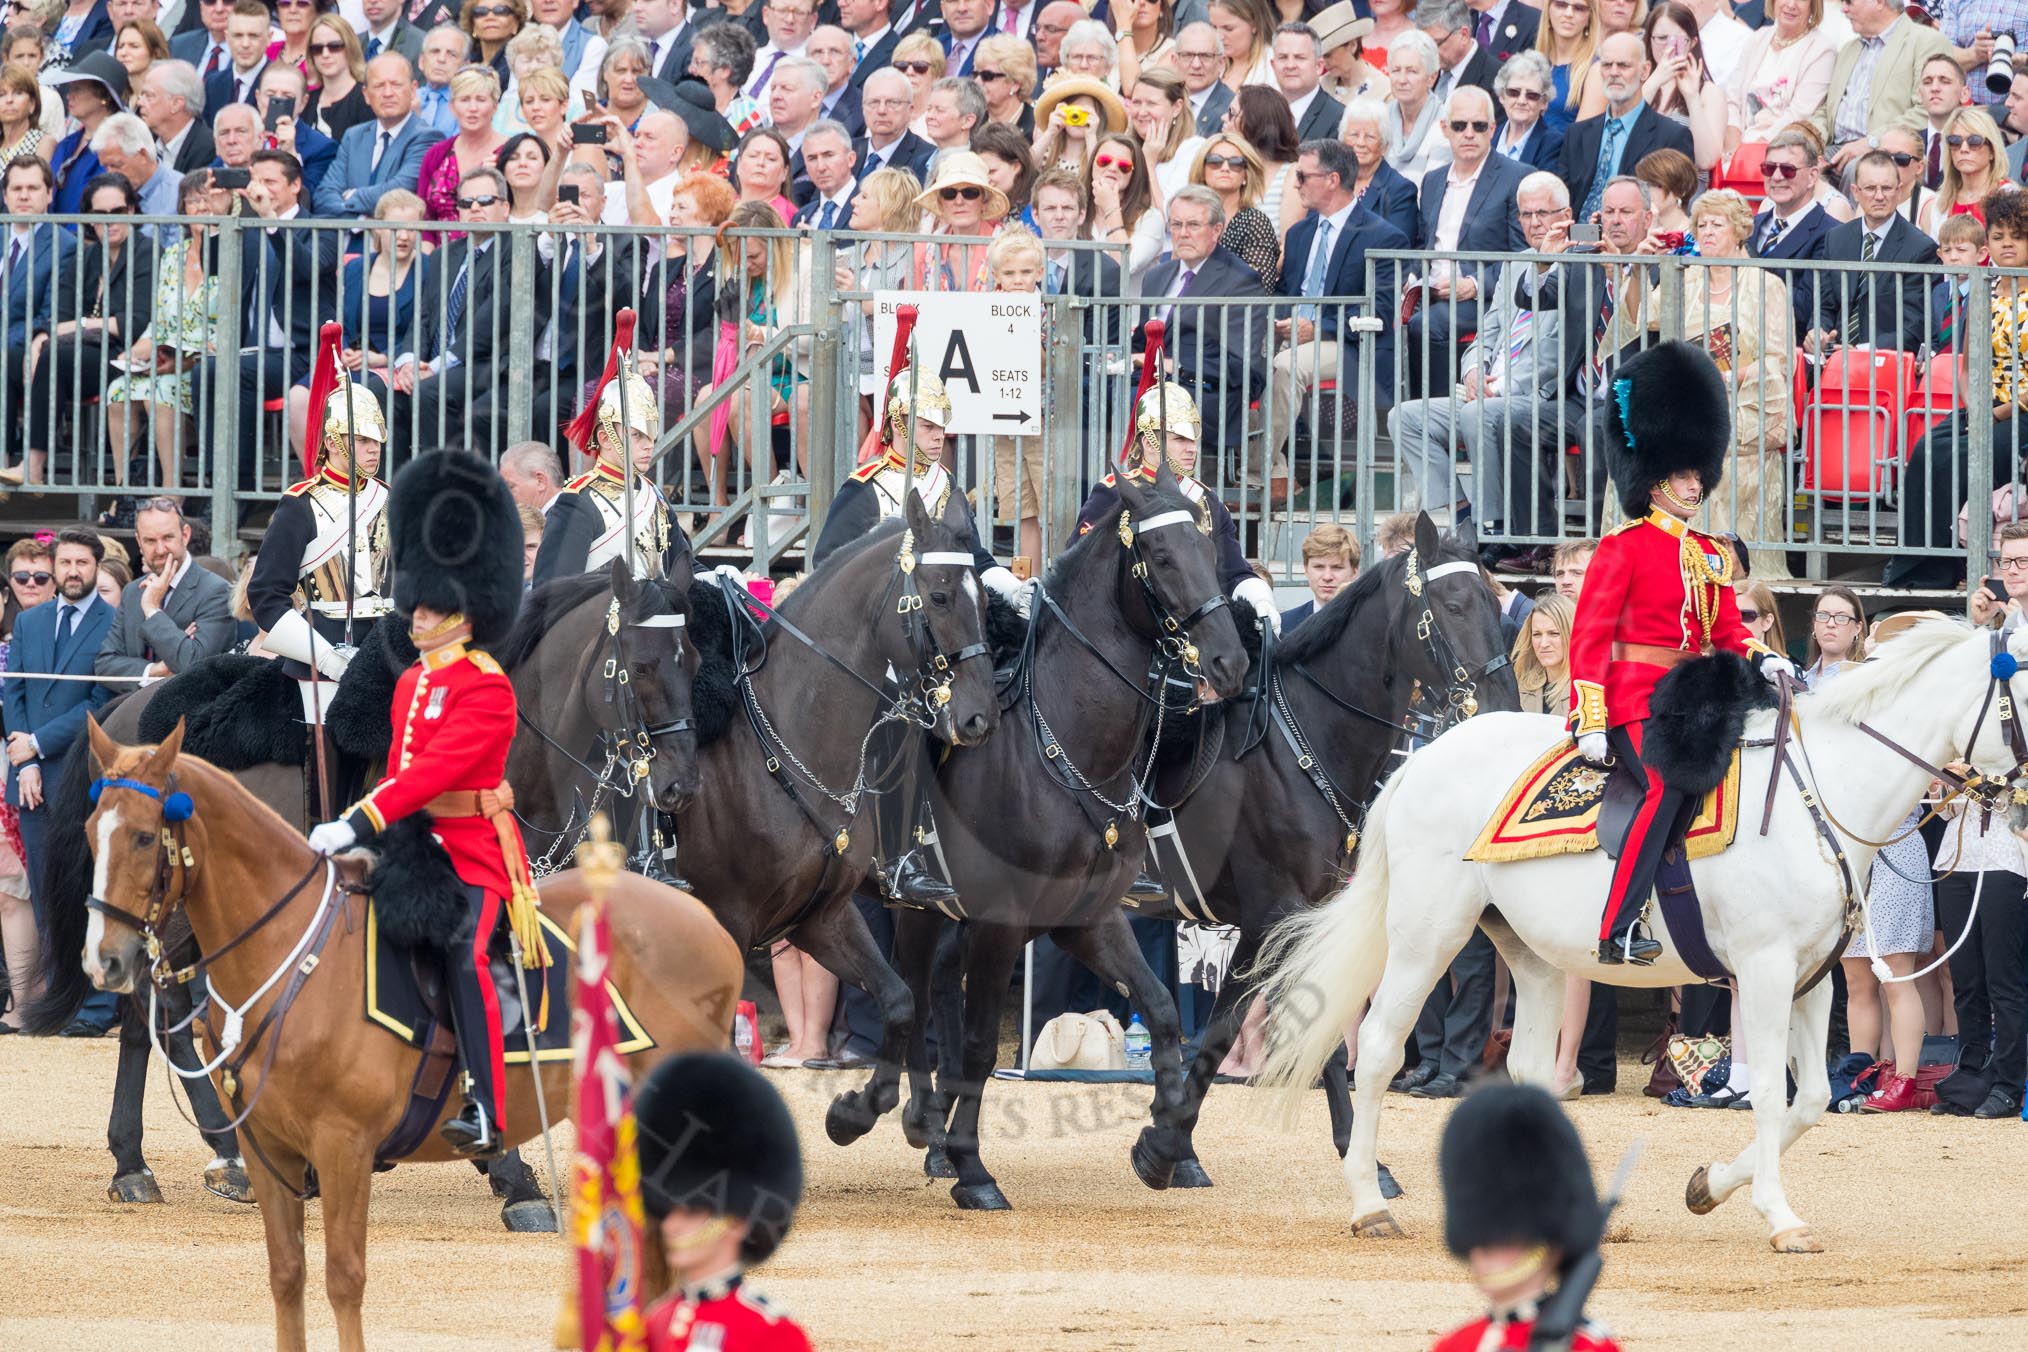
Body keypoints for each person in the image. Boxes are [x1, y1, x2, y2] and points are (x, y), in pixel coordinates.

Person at [310, 451, 533, 1159]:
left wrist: (359, 819)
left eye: (430, 607)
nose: (416, 615)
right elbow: (401, 769)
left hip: (473, 848)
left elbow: (435, 772)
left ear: (463, 614)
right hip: (415, 842)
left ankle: (489, 1110)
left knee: (467, 952)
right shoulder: (412, 685)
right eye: (418, 602)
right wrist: (373, 834)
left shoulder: (489, 688)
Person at [1569, 342, 1793, 966]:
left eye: (1700, 474)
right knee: (1664, 787)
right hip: (1636, 698)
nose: (1696, 484)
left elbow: (1726, 629)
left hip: (1695, 697)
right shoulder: (1624, 547)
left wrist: (1762, 658)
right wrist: (1590, 717)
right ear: (1655, 477)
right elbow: (1589, 635)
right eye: (1685, 474)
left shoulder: (1710, 554)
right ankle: (1615, 927)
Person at [810, 369, 1018, 907]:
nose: (936, 435)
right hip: (878, 649)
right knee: (902, 715)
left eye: (941, 426)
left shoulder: (948, 489)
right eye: (926, 424)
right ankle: (901, 855)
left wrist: (1001, 580)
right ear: (898, 423)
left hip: (941, 642)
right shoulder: (866, 488)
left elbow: (973, 558)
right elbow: (828, 563)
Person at [1390, 168, 1568, 525]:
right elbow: (1488, 331)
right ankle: (1463, 513)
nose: (1533, 223)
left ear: (1565, 217)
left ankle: (1492, 528)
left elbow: (1557, 352)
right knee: (1405, 417)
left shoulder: (1578, 267)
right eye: (1526, 214)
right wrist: (1473, 370)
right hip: (1486, 393)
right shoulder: (1515, 264)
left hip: (1534, 395)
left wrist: (1497, 388)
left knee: (1476, 412)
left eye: (1542, 214)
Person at [6, 528, 119, 1035]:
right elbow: (15, 695)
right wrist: (24, 758)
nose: (72, 571)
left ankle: (95, 1008)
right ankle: (59, 1002)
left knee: (85, 890)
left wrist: (39, 744)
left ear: (97, 566)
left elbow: (100, 703)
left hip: (79, 774)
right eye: (65, 562)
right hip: (30, 778)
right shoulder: (28, 623)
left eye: (82, 563)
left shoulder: (114, 623)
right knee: (49, 892)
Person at [1889, 189, 2028, 588]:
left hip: (2022, 412)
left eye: (2015, 236)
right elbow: (1967, 367)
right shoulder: (1984, 288)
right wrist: (1975, 408)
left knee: (1963, 455)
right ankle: (1919, 567)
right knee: (1926, 450)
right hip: (1986, 406)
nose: (2005, 244)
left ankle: (1958, 562)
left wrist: (1996, 415)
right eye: (1998, 235)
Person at [632, 1054, 810, 1351]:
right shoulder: (658, 1322)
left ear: (737, 1221)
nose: (671, 1225)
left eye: (690, 1212)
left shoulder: (771, 1331)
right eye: (666, 1210)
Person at [247, 368, 392, 717]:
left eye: (376, 441)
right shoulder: (300, 504)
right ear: (332, 442)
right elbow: (266, 596)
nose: (373, 450)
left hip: (385, 649)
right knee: (327, 760)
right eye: (361, 440)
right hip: (321, 651)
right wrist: (326, 658)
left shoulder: (387, 498)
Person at [1430, 1083, 1618, 1352]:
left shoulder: (1590, 1346)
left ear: (1550, 1245)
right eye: (1482, 1238)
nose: (1485, 1255)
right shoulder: (1457, 1344)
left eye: (1506, 1240)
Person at [1269, 139, 1407, 473]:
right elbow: (1286, 293)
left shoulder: (1383, 236)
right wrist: (1279, 323)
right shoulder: (1300, 233)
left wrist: (1318, 328)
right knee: (1235, 352)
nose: (1296, 184)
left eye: (1303, 176)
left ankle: (1261, 466)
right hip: (1293, 335)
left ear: (1332, 180)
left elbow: (1380, 309)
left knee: (1286, 366)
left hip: (1348, 344)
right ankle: (1252, 464)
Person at [99, 172, 218, 503]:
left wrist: (189, 355)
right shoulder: (173, 255)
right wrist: (135, 351)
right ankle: (123, 491)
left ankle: (171, 492)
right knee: (119, 390)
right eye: (193, 201)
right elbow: (160, 319)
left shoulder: (233, 253)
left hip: (206, 357)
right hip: (168, 352)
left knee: (159, 392)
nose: (201, 208)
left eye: (207, 199)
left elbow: (235, 322)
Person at [1138, 186, 1269, 476]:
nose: (1183, 233)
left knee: (1145, 406)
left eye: (1193, 225)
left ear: (1217, 229)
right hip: (1150, 384)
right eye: (1176, 224)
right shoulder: (1157, 276)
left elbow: (1242, 364)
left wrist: (1179, 367)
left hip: (1207, 391)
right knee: (1090, 397)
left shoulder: (1240, 281)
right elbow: (1140, 342)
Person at [1405, 85, 1526, 398]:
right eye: (1460, 125)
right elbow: (1425, 246)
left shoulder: (1516, 178)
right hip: (1430, 293)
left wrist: (1475, 284)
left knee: (1426, 326)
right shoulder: (1432, 181)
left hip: (1483, 300)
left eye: (1479, 126)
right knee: (1374, 320)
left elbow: (1525, 255)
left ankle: (1434, 419)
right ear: (1445, 129)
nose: (1469, 133)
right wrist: (1412, 279)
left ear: (1492, 129)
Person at [532, 355, 682, 582]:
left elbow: (683, 566)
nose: (648, 444)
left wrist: (719, 578)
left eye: (650, 434)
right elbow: (553, 592)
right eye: (636, 435)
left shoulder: (655, 497)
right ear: (605, 438)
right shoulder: (577, 502)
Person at [1812, 149, 1940, 356]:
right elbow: (1825, 305)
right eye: (1870, 188)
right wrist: (1818, 332)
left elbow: (1915, 325)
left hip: (1884, 366)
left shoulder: (1921, 249)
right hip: (1833, 360)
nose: (1879, 196)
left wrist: (1861, 351)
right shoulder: (1835, 239)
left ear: (1899, 191)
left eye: (1887, 188)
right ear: (1855, 191)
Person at [94, 497, 236, 682]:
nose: (160, 549)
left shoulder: (216, 591)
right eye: (150, 540)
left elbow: (193, 663)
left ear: (185, 535)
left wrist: (152, 610)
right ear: (138, 541)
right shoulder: (132, 591)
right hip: (133, 707)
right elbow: (105, 665)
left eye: (167, 538)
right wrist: (154, 670)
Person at [1559, 31, 1696, 221]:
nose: (1614, 72)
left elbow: (1677, 206)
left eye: (1623, 65)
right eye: (1607, 65)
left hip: (1636, 244)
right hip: (1575, 241)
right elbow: (1562, 200)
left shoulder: (1672, 136)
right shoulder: (1577, 134)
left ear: (1645, 71)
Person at [0, 536, 51, 1034]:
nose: (32, 585)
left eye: (41, 576)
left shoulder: (50, 628)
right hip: (13, 758)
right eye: (22, 577)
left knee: (19, 885)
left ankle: (30, 996)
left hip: (26, 761)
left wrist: (26, 749)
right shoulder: (14, 629)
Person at [1818, 0, 1951, 175]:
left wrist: (1871, 142)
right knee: (1792, 162)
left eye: (1849, 2)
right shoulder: (1848, 50)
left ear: (1880, 2)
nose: (1843, 9)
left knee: (1858, 170)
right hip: (1834, 148)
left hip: (1887, 151)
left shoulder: (1926, 42)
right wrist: (1810, 137)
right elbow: (1826, 110)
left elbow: (1927, 110)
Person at [312, 53, 445, 218]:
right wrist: (357, 217)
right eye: (379, 86)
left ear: (413, 90)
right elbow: (324, 194)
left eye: (396, 84)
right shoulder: (353, 136)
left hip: (396, 240)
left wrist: (351, 197)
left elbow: (400, 190)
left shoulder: (428, 137)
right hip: (348, 240)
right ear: (366, 95)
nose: (387, 93)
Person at [1746, 125, 1832, 337]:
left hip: (1791, 351)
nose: (1776, 177)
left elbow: (1807, 306)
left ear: (1812, 176)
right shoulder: (1748, 226)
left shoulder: (1832, 233)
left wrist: (1746, 278)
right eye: (1769, 168)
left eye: (1787, 170)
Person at [1725, 0, 1836, 152]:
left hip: (1780, 151)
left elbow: (1799, 115)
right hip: (1735, 144)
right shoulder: (1758, 38)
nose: (1791, 4)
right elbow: (1732, 95)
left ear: (1813, 5)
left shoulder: (1822, 50)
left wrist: (1753, 151)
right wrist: (1733, 140)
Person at [415, 63, 507, 226]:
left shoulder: (510, 152)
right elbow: (423, 214)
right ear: (452, 107)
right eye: (464, 100)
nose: (472, 108)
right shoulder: (436, 154)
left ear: (495, 107)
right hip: (440, 249)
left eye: (481, 100)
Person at [1188, 132, 1281, 287]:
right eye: (1215, 161)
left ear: (1245, 175)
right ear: (1202, 170)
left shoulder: (1255, 222)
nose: (1225, 168)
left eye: (1235, 163)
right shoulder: (1187, 218)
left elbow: (1258, 286)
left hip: (1233, 309)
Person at [1638, 0, 1722, 170]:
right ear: (1649, 40)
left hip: (1685, 187)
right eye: (1661, 38)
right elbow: (1615, 136)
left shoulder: (1708, 92)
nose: (1669, 47)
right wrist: (1653, 82)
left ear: (1692, 43)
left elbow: (1706, 161)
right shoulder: (1637, 85)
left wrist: (1692, 98)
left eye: (1678, 40)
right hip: (1638, 184)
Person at [1917, 105, 2015, 238]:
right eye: (1955, 141)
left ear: (1992, 150)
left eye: (1974, 141)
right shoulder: (1940, 203)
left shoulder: (2011, 196)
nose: (1963, 148)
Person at [1342, 95, 1421, 242]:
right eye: (1354, 135)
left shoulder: (1401, 191)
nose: (1360, 143)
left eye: (1370, 137)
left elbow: (1396, 247)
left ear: (1384, 145)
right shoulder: (1331, 181)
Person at [1384, 30, 1450, 180]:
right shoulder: (1380, 120)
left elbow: (1431, 192)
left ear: (1432, 77)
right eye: (1395, 70)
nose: (1401, 79)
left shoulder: (1445, 124)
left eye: (1411, 71)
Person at [1535, 0, 1600, 139]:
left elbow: (1581, 140)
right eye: (1561, 5)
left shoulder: (1596, 71)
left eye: (1578, 8)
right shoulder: (1533, 62)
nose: (1569, 14)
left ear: (1589, 17)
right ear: (1548, 10)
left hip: (1561, 157)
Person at [1492, 49, 1564, 169]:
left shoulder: (1553, 144)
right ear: (1502, 96)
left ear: (1544, 103)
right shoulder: (1489, 135)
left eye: (1532, 95)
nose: (1521, 101)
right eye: (1514, 92)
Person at [302, 12, 368, 140]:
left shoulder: (366, 98)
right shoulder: (308, 101)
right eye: (317, 48)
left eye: (334, 46)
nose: (325, 54)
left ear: (350, 47)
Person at [1281, 520, 1359, 627]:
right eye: (1319, 567)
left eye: (1337, 567)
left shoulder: (1374, 625)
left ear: (1354, 571)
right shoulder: (1284, 624)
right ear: (1306, 569)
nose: (1327, 577)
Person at [1209, 0, 1278, 91]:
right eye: (1214, 27)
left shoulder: (1274, 68)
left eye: (1228, 28)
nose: (1219, 36)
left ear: (1254, 24)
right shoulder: (1209, 62)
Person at [1631, 145, 1695, 233]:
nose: (1645, 190)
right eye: (1641, 184)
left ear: (1680, 190)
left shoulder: (1695, 238)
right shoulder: (1635, 233)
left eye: (1653, 184)